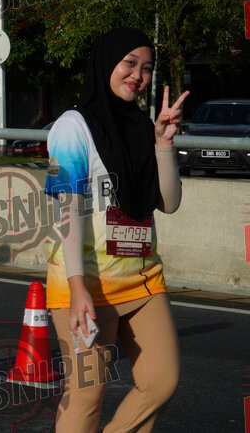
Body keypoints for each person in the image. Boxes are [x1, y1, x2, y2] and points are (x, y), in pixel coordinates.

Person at [44, 27, 189, 432]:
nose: (138, 76)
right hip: (86, 284)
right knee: (85, 400)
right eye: (130, 63)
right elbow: (68, 209)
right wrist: (77, 289)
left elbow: (169, 203)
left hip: (143, 278)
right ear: (107, 62)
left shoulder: (143, 125)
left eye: (147, 68)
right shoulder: (71, 127)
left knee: (161, 381)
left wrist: (163, 143)